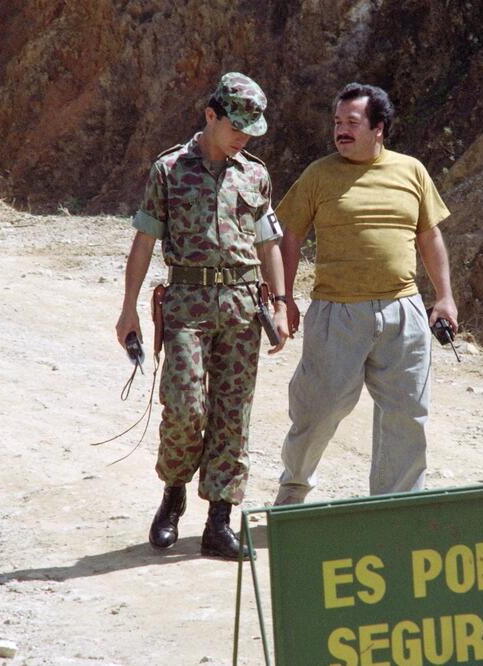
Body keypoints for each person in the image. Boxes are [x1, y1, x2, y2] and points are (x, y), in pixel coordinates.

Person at [115, 72, 289, 559]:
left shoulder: (254, 174)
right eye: (236, 126)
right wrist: (128, 309)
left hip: (241, 305)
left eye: (252, 130)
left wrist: (279, 302)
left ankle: (219, 521)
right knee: (187, 409)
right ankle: (173, 492)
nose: (244, 137)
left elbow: (268, 241)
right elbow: (144, 241)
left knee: (233, 416)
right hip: (188, 304)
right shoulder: (169, 170)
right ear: (210, 115)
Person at [273, 82, 457, 505]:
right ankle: (294, 487)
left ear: (379, 128)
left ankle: (395, 507)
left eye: (352, 123)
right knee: (318, 410)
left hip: (403, 311)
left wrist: (444, 297)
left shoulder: (411, 171)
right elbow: (290, 236)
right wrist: (284, 299)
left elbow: (429, 237)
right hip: (337, 312)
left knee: (407, 414)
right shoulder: (319, 174)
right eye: (337, 122)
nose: (341, 130)